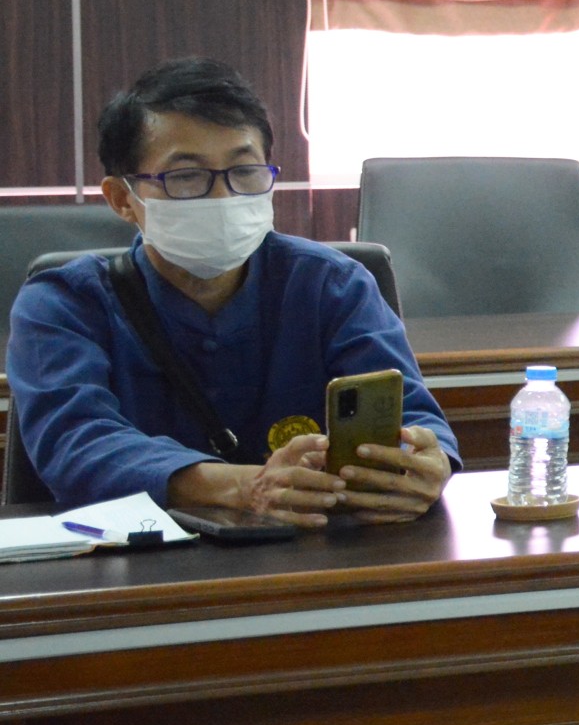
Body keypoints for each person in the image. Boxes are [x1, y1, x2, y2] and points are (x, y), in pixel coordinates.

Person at [5, 59, 455, 520]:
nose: (223, 197)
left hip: (314, 547)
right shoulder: (63, 304)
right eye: (186, 176)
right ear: (123, 199)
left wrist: (425, 460)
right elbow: (76, 444)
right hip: (133, 557)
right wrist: (244, 485)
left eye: (244, 172)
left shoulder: (333, 285)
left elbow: (411, 416)